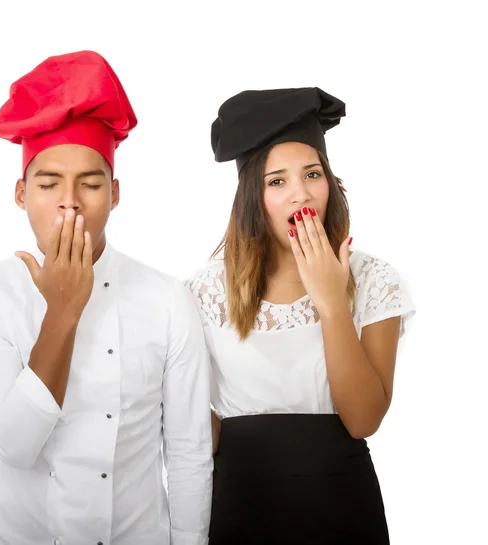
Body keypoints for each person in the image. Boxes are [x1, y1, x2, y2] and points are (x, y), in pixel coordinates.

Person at [0, 50, 213, 545]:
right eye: (48, 184)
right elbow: (13, 446)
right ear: (20, 194)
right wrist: (63, 313)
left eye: (90, 184)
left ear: (115, 193)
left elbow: (188, 452)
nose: (70, 201)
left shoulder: (167, 300)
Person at [185, 87, 415, 544]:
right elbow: (195, 425)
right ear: (253, 195)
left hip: (343, 505)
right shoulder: (206, 290)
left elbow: (363, 419)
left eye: (312, 174)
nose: (300, 194)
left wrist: (331, 302)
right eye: (277, 181)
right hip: (238, 503)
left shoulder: (373, 278)